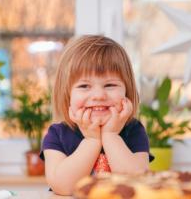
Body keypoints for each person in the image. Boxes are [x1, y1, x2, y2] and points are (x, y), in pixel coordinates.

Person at [39, 35, 154, 196]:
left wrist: (111, 135)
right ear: (67, 95)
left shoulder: (134, 130)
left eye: (110, 85)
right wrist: (92, 140)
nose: (99, 95)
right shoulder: (57, 134)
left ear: (127, 92)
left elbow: (136, 183)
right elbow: (62, 186)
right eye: (84, 86)